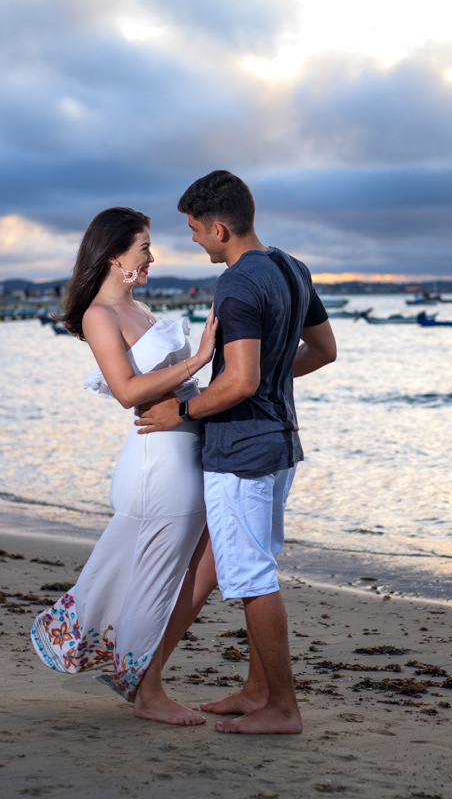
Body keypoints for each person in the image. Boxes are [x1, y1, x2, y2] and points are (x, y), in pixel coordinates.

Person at [137, 170, 337, 734]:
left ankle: (283, 708)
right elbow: (323, 350)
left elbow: (241, 382)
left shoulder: (237, 283)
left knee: (251, 577)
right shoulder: (292, 269)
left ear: (220, 228)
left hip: (242, 450)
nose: (194, 240)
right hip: (280, 443)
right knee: (257, 567)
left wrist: (182, 410)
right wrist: (266, 376)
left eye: (196, 230)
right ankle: (258, 689)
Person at [30, 207, 222, 726]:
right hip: (156, 466)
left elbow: (178, 390)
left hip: (186, 454)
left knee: (193, 569)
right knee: (156, 579)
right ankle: (149, 694)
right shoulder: (101, 315)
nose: (152, 256)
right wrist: (198, 358)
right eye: (144, 247)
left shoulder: (141, 309)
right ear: (115, 255)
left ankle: (137, 675)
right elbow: (126, 392)